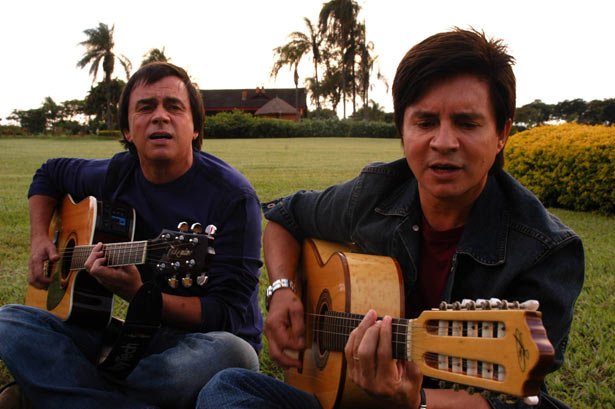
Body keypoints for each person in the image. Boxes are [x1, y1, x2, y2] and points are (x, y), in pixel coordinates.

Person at [196, 28, 584, 409]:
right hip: (346, 396)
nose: (443, 142)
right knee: (226, 387)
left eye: (467, 123)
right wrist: (282, 290)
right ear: (402, 129)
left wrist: (415, 401)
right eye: (425, 122)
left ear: (502, 133)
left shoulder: (545, 250)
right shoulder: (376, 192)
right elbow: (285, 217)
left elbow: (518, 399)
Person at [0, 62, 263, 409]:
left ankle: (60, 390)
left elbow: (226, 314)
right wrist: (39, 240)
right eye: (145, 107)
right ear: (127, 130)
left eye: (174, 107)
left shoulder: (233, 197)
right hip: (135, 338)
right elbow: (49, 174)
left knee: (234, 354)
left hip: (200, 344)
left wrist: (138, 295)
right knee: (10, 321)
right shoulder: (118, 173)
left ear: (196, 128)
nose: (160, 117)